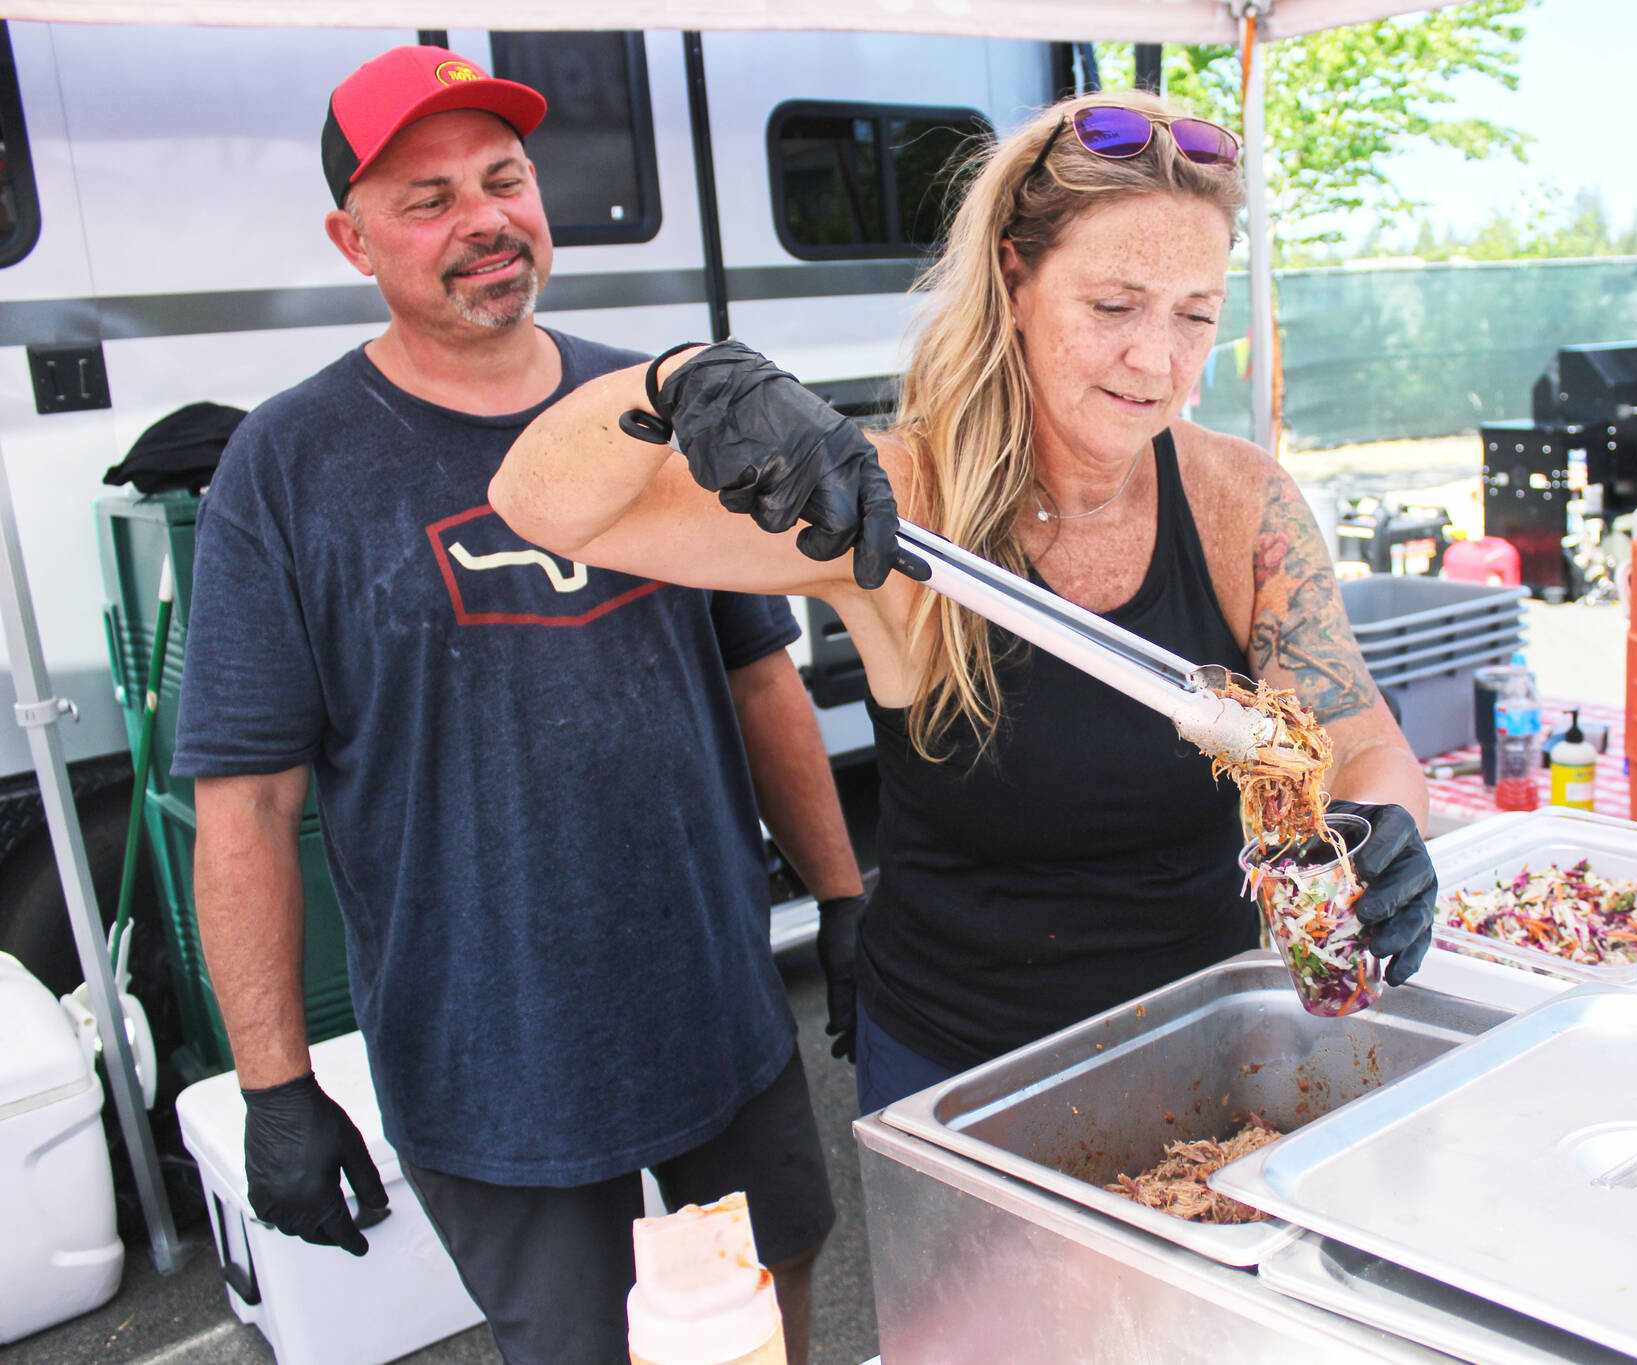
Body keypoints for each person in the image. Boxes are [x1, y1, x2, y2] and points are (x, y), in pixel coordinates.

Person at [491, 91, 1438, 1115]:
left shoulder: (1240, 500)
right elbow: (543, 508)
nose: (1156, 359)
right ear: (1014, 279)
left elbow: (1353, 735)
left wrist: (1390, 829)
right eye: (1113, 307)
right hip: (965, 1075)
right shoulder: (897, 508)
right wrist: (676, 381)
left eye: (1194, 315)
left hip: (1205, 1049)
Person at [171, 46, 861, 1364]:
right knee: (574, 1347)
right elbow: (245, 805)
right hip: (491, 1047)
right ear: (351, 238)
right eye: (427, 199)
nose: (484, 219)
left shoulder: (653, 409)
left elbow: (757, 670)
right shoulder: (289, 464)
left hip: (711, 997)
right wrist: (275, 1085)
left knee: (777, 1283)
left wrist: (841, 895)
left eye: (505, 179)